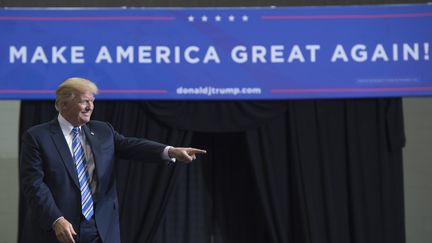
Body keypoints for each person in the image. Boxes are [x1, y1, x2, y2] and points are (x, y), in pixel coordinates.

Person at [19, 77, 206, 243]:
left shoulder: (102, 130)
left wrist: (171, 151)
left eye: (92, 101)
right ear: (64, 104)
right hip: (60, 228)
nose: (90, 107)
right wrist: (56, 219)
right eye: (85, 101)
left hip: (101, 227)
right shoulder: (37, 137)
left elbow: (132, 145)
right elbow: (34, 185)